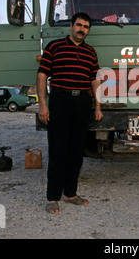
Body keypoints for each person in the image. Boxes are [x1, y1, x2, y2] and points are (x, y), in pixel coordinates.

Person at [37, 12, 103, 214]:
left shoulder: (91, 52)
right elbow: (42, 76)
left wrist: (98, 105)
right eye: (79, 25)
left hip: (82, 102)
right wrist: (42, 105)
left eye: (86, 27)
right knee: (58, 151)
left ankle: (71, 193)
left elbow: (94, 80)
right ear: (71, 26)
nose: (82, 29)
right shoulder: (54, 47)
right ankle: (53, 197)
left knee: (76, 152)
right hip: (60, 101)